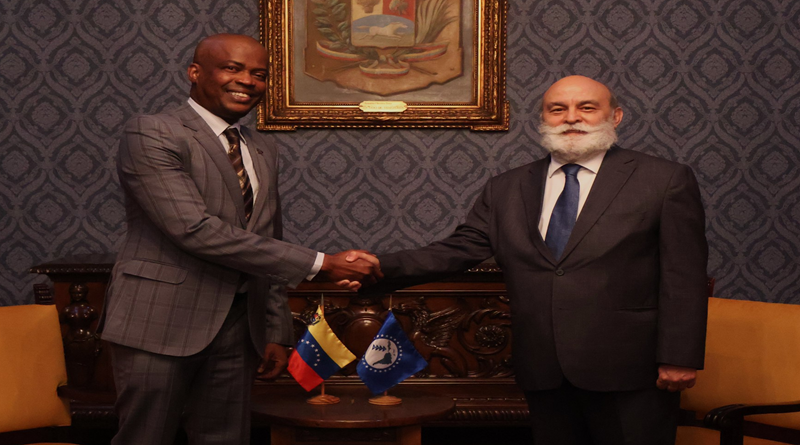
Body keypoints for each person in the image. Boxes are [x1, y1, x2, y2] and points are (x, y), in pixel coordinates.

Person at [357, 75, 709, 444]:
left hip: (630, 369)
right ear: (543, 118)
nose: (571, 117)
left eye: (587, 107)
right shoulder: (506, 187)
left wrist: (679, 356)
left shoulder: (663, 179)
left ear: (615, 116)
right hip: (543, 368)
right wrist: (375, 267)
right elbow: (457, 249)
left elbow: (683, 275)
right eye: (557, 109)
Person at [98, 34, 381, 445]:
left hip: (237, 330)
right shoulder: (153, 132)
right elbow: (193, 229)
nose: (247, 81)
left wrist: (274, 330)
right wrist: (322, 264)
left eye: (258, 74)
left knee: (225, 438)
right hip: (158, 321)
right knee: (145, 438)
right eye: (232, 68)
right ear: (195, 73)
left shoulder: (262, 147)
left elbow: (266, 239)